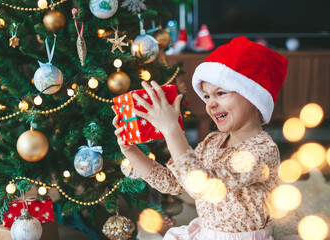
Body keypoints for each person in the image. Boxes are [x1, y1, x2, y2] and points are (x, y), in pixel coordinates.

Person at [112, 36, 288, 240]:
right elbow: (173, 182)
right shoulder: (212, 141)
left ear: (252, 96)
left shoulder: (263, 149)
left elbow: (206, 187)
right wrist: (131, 151)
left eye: (220, 93)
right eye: (207, 96)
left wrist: (172, 131)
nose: (211, 104)